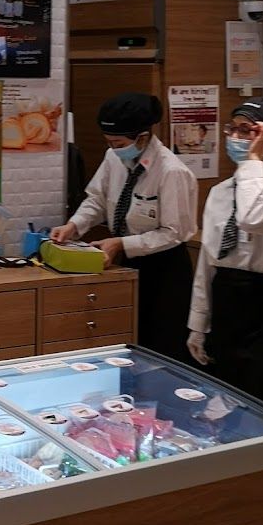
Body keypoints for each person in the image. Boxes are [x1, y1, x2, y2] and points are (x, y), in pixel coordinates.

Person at [51, 92, 197, 363]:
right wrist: (74, 225)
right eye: (109, 142)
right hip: (127, 264)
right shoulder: (113, 158)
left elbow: (173, 232)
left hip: (164, 270)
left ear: (142, 137)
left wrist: (121, 244)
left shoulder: (171, 171)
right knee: (128, 345)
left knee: (160, 348)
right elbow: (97, 198)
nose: (114, 148)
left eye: (118, 143)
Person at [186, 98, 263, 411]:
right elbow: (208, 262)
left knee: (260, 394)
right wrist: (198, 324)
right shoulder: (220, 191)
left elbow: (252, 217)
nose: (235, 137)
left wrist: (253, 161)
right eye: (232, 129)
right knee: (223, 394)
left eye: (246, 130)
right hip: (226, 296)